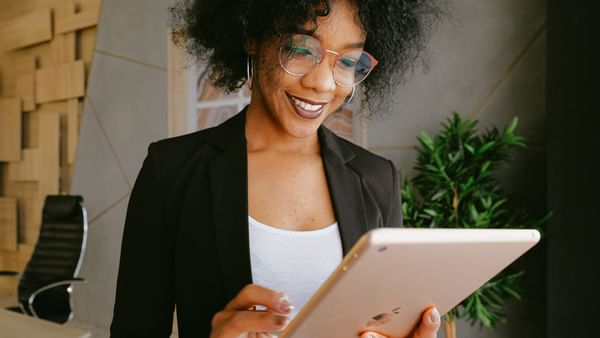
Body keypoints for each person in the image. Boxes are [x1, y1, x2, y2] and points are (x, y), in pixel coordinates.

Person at [110, 0, 443, 337]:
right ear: (251, 36)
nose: (324, 84)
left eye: (348, 61)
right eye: (301, 49)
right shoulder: (171, 171)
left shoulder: (377, 178)